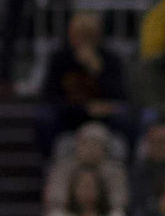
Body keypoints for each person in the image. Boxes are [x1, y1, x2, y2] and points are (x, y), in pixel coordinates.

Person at [42, 11, 128, 142]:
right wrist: (84, 109)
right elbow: (50, 96)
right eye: (77, 34)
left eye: (87, 35)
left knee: (124, 117)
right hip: (70, 113)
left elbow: (120, 95)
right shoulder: (60, 59)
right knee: (46, 117)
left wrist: (98, 71)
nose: (81, 40)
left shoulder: (110, 59)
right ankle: (47, 159)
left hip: (103, 115)